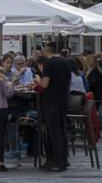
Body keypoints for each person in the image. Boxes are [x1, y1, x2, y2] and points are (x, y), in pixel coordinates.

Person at [34, 42, 71, 172]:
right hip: (63, 101)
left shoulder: (49, 63)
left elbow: (45, 85)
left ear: (46, 51)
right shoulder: (66, 62)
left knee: (53, 132)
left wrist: (37, 80)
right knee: (61, 131)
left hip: (51, 102)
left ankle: (56, 160)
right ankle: (63, 159)